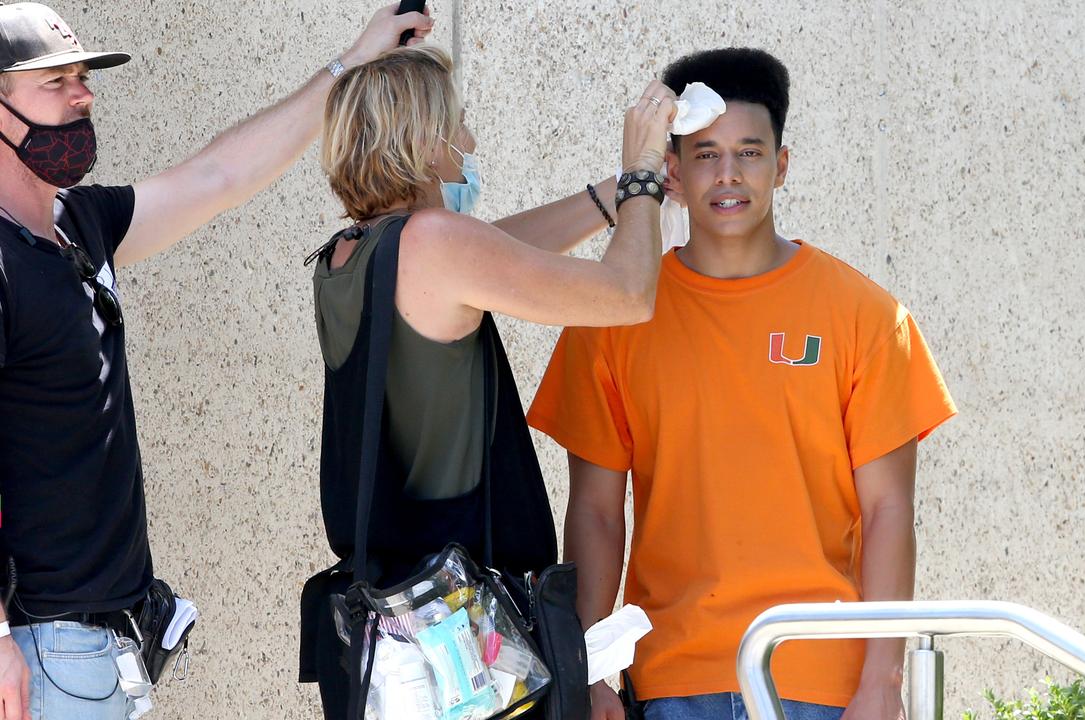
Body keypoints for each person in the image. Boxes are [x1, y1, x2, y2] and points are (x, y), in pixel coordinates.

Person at [0, 3, 434, 718]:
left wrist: (351, 62)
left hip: (109, 644)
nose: (84, 95)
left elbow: (219, 176)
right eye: (56, 82)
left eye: (83, 76)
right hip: (44, 649)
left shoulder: (80, 226)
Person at [527, 47, 958, 720]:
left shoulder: (867, 318)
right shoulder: (612, 319)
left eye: (750, 153)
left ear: (781, 165)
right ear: (671, 171)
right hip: (668, 679)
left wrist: (884, 680)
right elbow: (595, 514)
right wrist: (587, 664)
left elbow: (889, 513)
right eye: (705, 155)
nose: (728, 175)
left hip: (820, 682)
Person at [299, 43, 676, 718]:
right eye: (459, 122)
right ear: (427, 138)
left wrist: (608, 198)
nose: (469, 140)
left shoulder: (352, 256)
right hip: (476, 627)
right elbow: (627, 295)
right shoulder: (438, 243)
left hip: (408, 627)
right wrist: (644, 175)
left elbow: (501, 251)